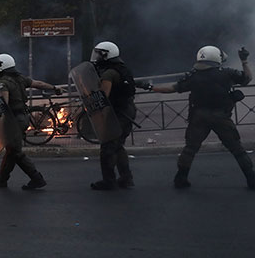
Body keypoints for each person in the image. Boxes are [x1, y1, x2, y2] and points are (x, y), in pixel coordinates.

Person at [151, 46, 255, 189]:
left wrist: (150, 87)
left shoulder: (193, 75)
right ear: (216, 58)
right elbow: (247, 79)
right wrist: (244, 61)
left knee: (190, 149)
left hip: (199, 116)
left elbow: (172, 88)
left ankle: (181, 178)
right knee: (237, 149)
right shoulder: (226, 73)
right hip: (221, 116)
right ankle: (251, 179)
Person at [0, 53, 61, 190]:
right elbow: (38, 84)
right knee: (11, 150)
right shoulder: (20, 78)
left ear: (2, 67)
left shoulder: (3, 83)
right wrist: (54, 88)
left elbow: (4, 104)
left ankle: (36, 178)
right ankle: (2, 178)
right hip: (23, 117)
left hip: (13, 120)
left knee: (15, 152)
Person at [88, 41, 143, 191]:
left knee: (107, 148)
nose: (97, 57)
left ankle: (109, 181)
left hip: (118, 113)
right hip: (128, 110)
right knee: (118, 146)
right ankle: (126, 178)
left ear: (106, 55)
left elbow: (103, 97)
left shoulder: (109, 73)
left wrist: (94, 106)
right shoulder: (123, 69)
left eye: (99, 54)